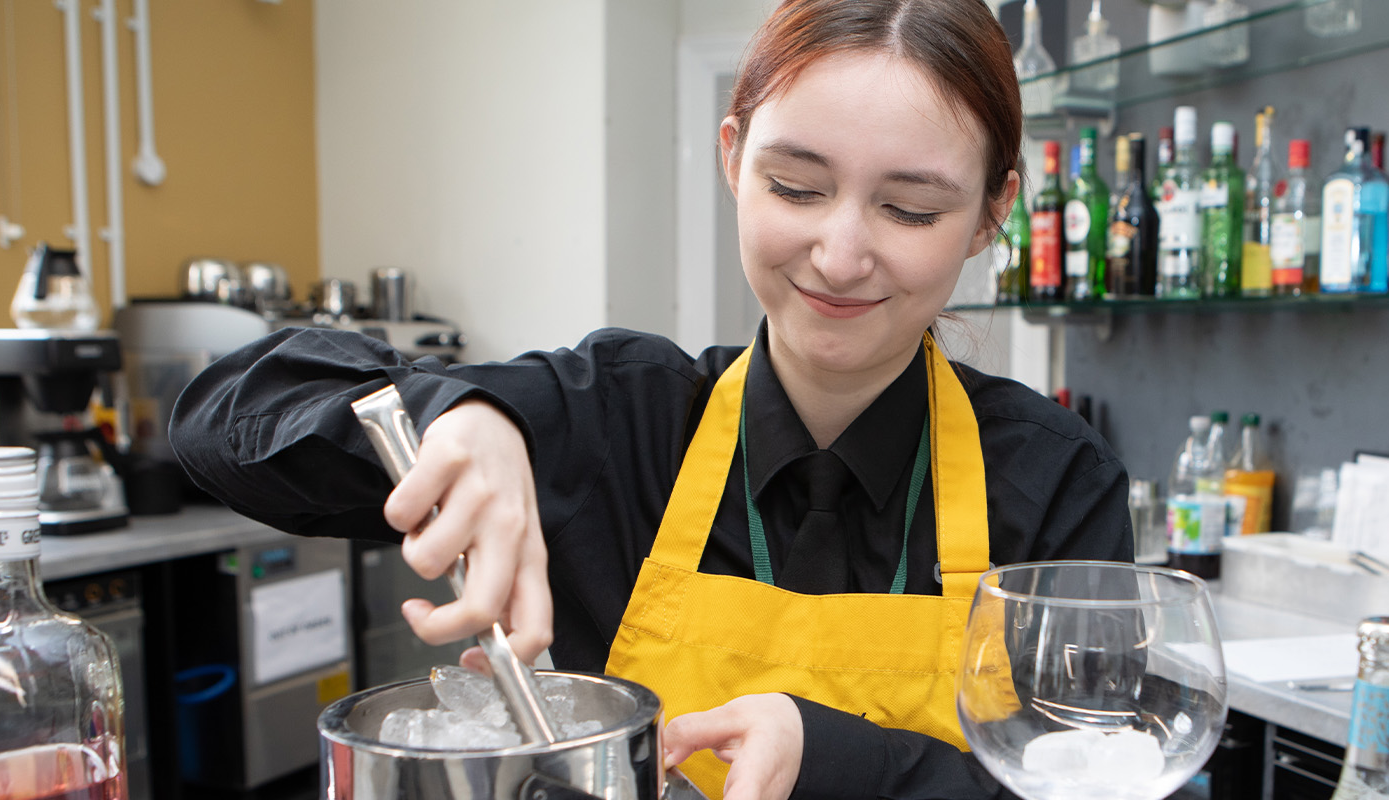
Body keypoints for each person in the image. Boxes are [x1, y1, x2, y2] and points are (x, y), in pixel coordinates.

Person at [170, 1, 1131, 798]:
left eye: (910, 209)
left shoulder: (1053, 481)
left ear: (989, 214)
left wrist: (836, 758)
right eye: (795, 187)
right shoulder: (612, 422)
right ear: (732, 157)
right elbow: (220, 415)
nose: (840, 256)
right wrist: (456, 411)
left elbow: (1093, 782)